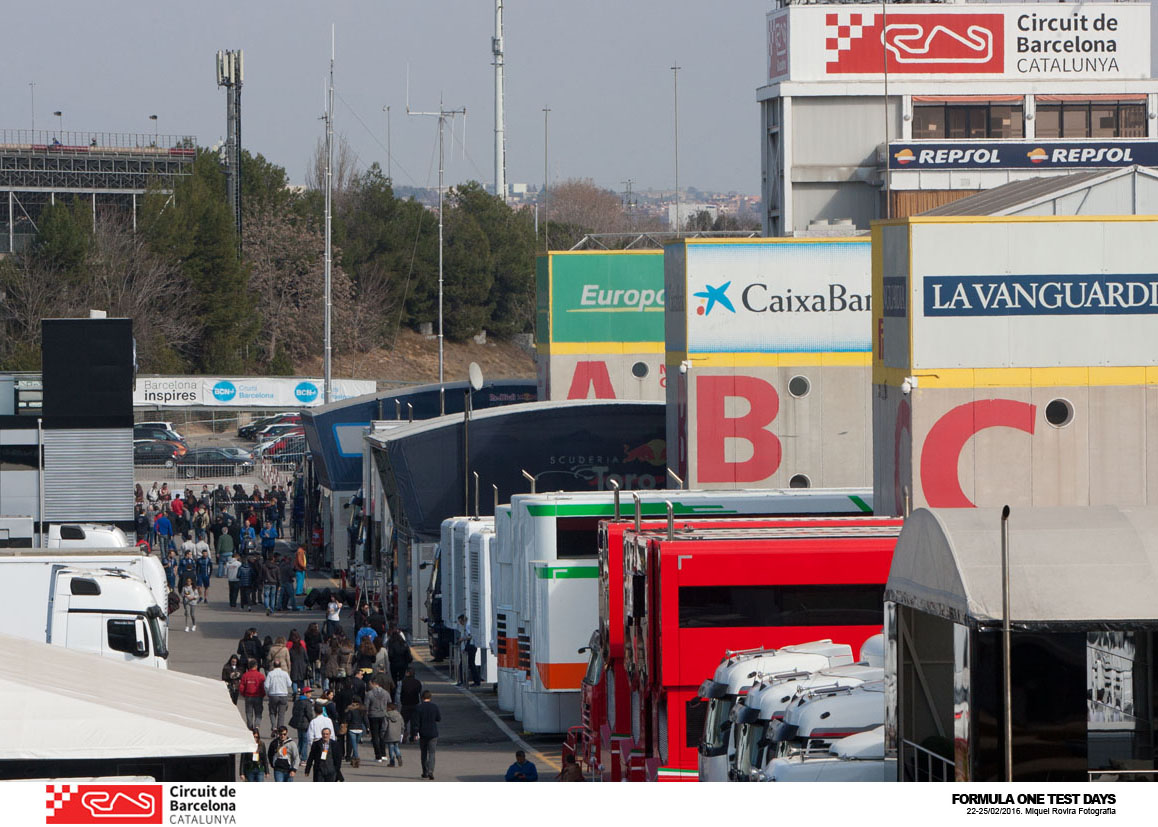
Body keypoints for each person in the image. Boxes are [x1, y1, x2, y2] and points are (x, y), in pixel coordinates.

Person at [416, 690, 440, 780]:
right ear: (430, 697)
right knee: (432, 753)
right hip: (433, 733)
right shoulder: (434, 707)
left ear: (422, 698)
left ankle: (424, 772)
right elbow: (438, 718)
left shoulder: (419, 708)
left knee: (424, 753)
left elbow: (416, 722)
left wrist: (415, 732)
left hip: (423, 733)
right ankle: (431, 771)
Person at [365, 678, 390, 763]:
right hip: (383, 715)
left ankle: (378, 756)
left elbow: (366, 706)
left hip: (373, 716)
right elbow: (389, 703)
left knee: (375, 736)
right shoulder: (386, 693)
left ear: (373, 683)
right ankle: (383, 754)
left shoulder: (369, 694)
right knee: (382, 734)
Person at [265, 661, 293, 736]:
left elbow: (266, 685)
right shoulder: (285, 673)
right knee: (281, 714)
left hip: (273, 695)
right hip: (283, 695)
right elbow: (290, 684)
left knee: (272, 712)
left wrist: (268, 693)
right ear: (280, 665)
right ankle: (280, 729)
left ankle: (274, 727)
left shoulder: (270, 674)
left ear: (273, 665)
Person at [289, 688, 314, 766]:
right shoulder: (307, 702)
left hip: (298, 723)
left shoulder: (297, 701)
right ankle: (303, 759)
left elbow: (293, 712)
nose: (310, 694)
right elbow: (309, 714)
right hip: (305, 723)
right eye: (309, 693)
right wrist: (312, 721)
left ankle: (296, 756)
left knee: (300, 740)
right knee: (305, 741)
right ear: (305, 693)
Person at [239, 658, 266, 731]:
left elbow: (241, 687)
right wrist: (263, 694)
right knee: (258, 712)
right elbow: (263, 687)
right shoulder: (260, 676)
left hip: (248, 696)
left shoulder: (245, 675)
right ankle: (257, 726)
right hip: (258, 696)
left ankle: (250, 727)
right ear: (256, 666)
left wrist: (244, 694)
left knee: (249, 713)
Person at [399, 669, 423, 742]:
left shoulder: (402, 682)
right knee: (414, 721)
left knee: (403, 721)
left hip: (405, 704)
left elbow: (398, 693)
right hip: (415, 703)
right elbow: (420, 694)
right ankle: (413, 736)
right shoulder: (418, 682)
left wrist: (398, 703)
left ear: (408, 673)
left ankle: (404, 733)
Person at [343, 697, 368, 768]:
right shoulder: (362, 710)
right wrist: (367, 727)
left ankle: (356, 759)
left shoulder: (351, 710)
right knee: (355, 745)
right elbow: (365, 719)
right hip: (360, 729)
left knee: (354, 745)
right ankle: (353, 759)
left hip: (352, 729)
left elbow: (348, 719)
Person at [457, 613, 480, 687]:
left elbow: (470, 636)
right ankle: (475, 681)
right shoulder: (468, 626)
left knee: (464, 664)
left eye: (460, 621)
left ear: (463, 620)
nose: (460, 623)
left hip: (470, 646)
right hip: (472, 645)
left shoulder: (467, 626)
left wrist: (462, 639)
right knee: (471, 664)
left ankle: (463, 681)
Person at [383, 702, 404, 768]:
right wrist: (402, 732)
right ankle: (399, 756)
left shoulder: (387, 715)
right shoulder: (399, 715)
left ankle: (392, 762)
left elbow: (385, 726)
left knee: (391, 748)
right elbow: (402, 724)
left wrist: (382, 733)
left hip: (389, 734)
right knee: (396, 746)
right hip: (397, 733)